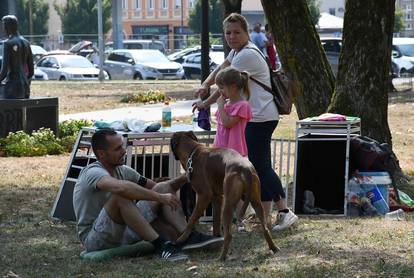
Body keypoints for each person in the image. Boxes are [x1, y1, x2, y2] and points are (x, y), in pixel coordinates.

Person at [193, 13, 298, 232]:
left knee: (259, 166)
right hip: (259, 116)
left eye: (237, 32)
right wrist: (204, 84)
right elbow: (221, 66)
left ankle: (285, 212)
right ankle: (265, 216)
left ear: (246, 33)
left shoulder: (246, 55)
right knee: (259, 167)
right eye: (228, 32)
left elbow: (224, 83)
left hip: (260, 117)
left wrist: (205, 103)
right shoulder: (238, 51)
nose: (232, 36)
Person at [73, 128, 223, 262]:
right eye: (118, 148)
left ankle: (188, 235)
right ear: (101, 154)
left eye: (123, 146)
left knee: (164, 187)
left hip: (123, 231)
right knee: (120, 198)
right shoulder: (92, 172)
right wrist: (159, 197)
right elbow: (121, 188)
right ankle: (161, 247)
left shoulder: (123, 170)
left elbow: (159, 188)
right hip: (95, 239)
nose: (124, 151)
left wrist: (186, 176)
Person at [213, 67, 253, 232]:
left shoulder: (243, 106)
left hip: (235, 152)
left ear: (234, 87)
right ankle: (224, 219)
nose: (220, 91)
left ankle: (241, 220)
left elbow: (229, 123)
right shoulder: (226, 104)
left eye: (222, 87)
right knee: (222, 187)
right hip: (220, 150)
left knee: (236, 189)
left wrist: (221, 107)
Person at [0, 15, 34, 99]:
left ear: (7, 26)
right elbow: (31, 71)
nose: (3, 29)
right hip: (25, 86)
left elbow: (4, 72)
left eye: (3, 25)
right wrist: (25, 81)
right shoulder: (26, 43)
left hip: (11, 87)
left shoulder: (8, 43)